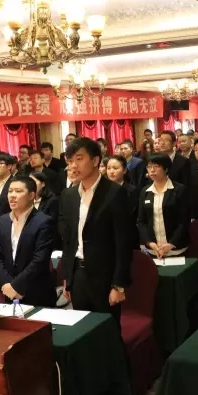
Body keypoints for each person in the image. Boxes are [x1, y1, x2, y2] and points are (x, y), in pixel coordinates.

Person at [59, 138, 133, 325]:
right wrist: (68, 277)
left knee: (108, 329)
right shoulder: (68, 195)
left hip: (104, 275)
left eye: (79, 159)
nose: (73, 165)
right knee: (83, 328)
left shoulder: (114, 193)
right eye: (70, 161)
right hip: (78, 274)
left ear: (95, 160)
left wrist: (119, 285)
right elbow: (69, 240)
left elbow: (123, 242)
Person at [0, 176, 56, 307]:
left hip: (36, 291)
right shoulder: (3, 220)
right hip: (8, 291)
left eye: (18, 191)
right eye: (10, 191)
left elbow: (39, 260)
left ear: (32, 195)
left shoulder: (44, 221)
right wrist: (8, 284)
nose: (12, 195)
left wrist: (17, 286)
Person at [137, 153, 189, 258]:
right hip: (153, 249)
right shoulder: (145, 191)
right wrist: (149, 242)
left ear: (166, 169)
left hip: (175, 249)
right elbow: (141, 221)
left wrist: (171, 243)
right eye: (149, 167)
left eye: (156, 166)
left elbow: (184, 221)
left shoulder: (179, 190)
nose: (152, 170)